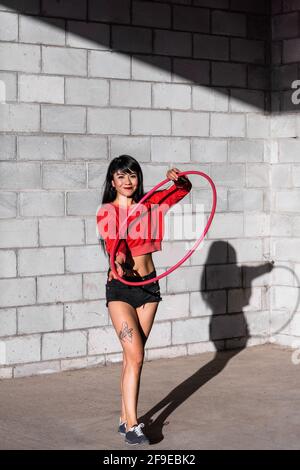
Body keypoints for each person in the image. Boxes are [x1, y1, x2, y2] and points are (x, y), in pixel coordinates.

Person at [96, 155, 192, 446]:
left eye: (132, 176)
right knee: (137, 356)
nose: (127, 182)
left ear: (138, 179)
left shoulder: (150, 204)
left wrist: (179, 179)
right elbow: (117, 244)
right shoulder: (107, 211)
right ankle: (134, 425)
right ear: (112, 181)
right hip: (121, 289)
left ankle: (125, 421)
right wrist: (121, 261)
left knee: (131, 358)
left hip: (149, 288)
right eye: (121, 176)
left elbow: (181, 191)